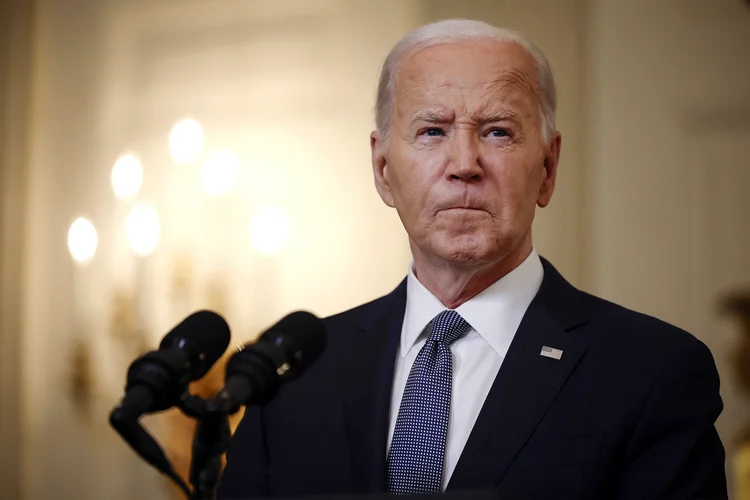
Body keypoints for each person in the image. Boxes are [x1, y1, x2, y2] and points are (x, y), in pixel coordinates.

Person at [217, 19, 727, 499]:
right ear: (381, 169)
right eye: (433, 131)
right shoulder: (291, 376)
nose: (464, 165)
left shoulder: (651, 372)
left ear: (548, 168)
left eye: (497, 132)